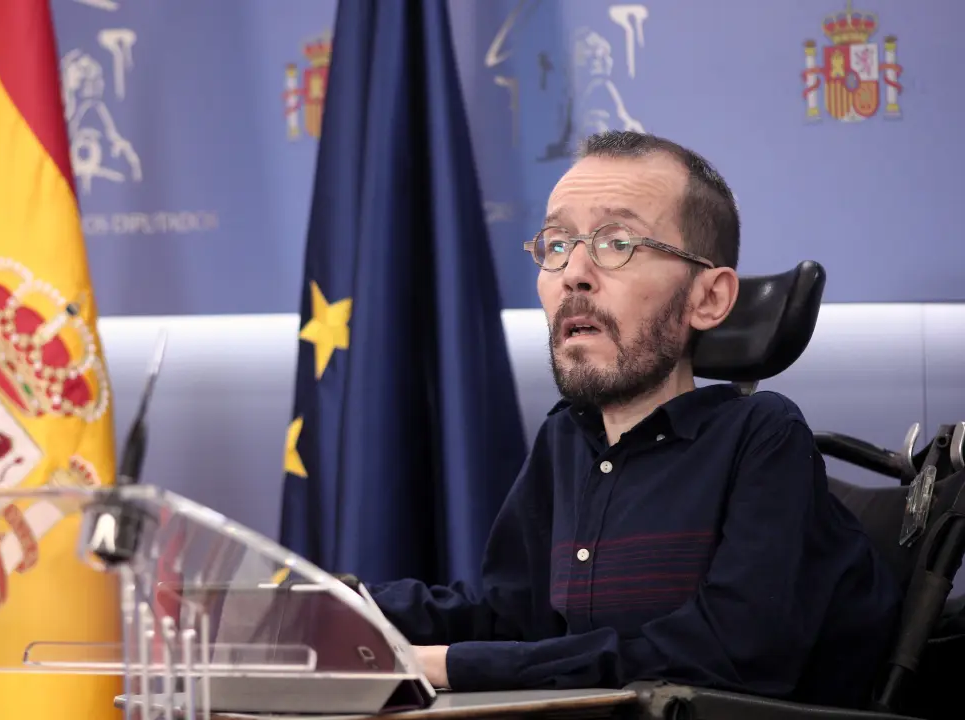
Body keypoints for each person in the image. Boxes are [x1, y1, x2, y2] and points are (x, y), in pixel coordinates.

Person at [367, 130, 902, 709]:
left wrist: (450, 665)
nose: (573, 272)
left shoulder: (762, 437)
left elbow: (729, 654)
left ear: (708, 299)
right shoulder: (565, 438)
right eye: (556, 244)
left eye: (616, 243)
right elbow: (510, 618)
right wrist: (346, 602)